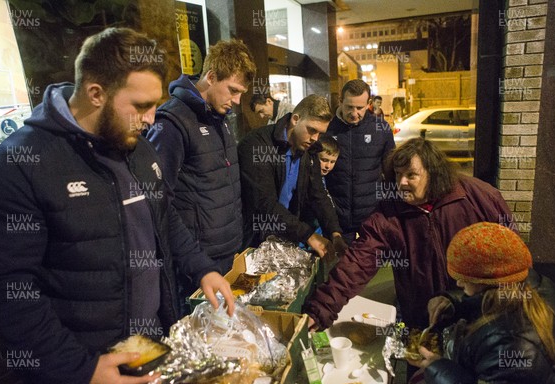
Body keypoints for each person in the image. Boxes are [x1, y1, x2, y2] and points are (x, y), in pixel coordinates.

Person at [0, 28, 234, 384]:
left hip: (149, 349)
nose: (151, 119)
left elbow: (163, 216)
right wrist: (81, 370)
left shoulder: (137, 147)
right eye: (141, 105)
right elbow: (5, 287)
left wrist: (202, 267)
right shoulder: (19, 165)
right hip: (81, 373)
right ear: (96, 93)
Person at [303, 138, 514, 331]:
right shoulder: (389, 213)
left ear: (433, 173)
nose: (401, 182)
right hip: (422, 321)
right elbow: (358, 262)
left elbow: (511, 257)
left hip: (477, 318)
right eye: (397, 174)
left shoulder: (478, 197)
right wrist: (320, 308)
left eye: (411, 175)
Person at [407, 222, 555, 384]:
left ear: (485, 281)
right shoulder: (534, 283)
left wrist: (437, 368)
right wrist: (452, 302)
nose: (458, 283)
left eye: (463, 278)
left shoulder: (511, 346)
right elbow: (486, 300)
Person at [146, 39, 256, 281]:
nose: (237, 101)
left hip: (228, 252)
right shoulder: (171, 124)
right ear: (212, 77)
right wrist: (193, 258)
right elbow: (157, 200)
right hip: (195, 263)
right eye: (233, 90)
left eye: (241, 93)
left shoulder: (220, 117)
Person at [238, 94, 347, 258]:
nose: (315, 139)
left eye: (320, 133)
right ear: (295, 119)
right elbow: (264, 203)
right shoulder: (256, 144)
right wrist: (308, 235)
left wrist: (334, 231)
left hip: (288, 235)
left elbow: (318, 194)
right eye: (312, 130)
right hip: (256, 239)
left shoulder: (309, 149)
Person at [324, 80, 395, 243]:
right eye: (349, 107)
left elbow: (392, 172)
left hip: (371, 221)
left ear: (368, 104)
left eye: (360, 108)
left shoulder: (381, 129)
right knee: (338, 268)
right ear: (340, 101)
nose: (354, 113)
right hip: (335, 222)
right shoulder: (326, 128)